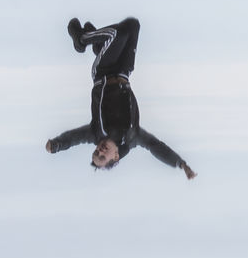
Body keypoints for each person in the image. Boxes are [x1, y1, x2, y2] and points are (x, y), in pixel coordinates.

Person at [45, 16, 198, 177]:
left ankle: (81, 40)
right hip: (124, 73)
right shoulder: (133, 137)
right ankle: (100, 47)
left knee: (117, 34)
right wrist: (181, 164)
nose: (100, 151)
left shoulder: (95, 133)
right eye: (103, 156)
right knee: (133, 25)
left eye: (96, 153)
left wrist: (56, 146)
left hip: (103, 72)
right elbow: (156, 146)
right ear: (116, 157)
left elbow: (73, 138)